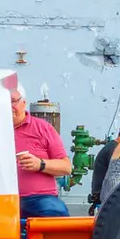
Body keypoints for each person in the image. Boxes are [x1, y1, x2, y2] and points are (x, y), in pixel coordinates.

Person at [11, 87, 70, 219]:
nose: (9, 107)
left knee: (56, 213)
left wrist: (40, 164)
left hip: (38, 198)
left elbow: (66, 167)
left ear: (23, 103)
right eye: (4, 102)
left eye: (13, 101)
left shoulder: (43, 128)